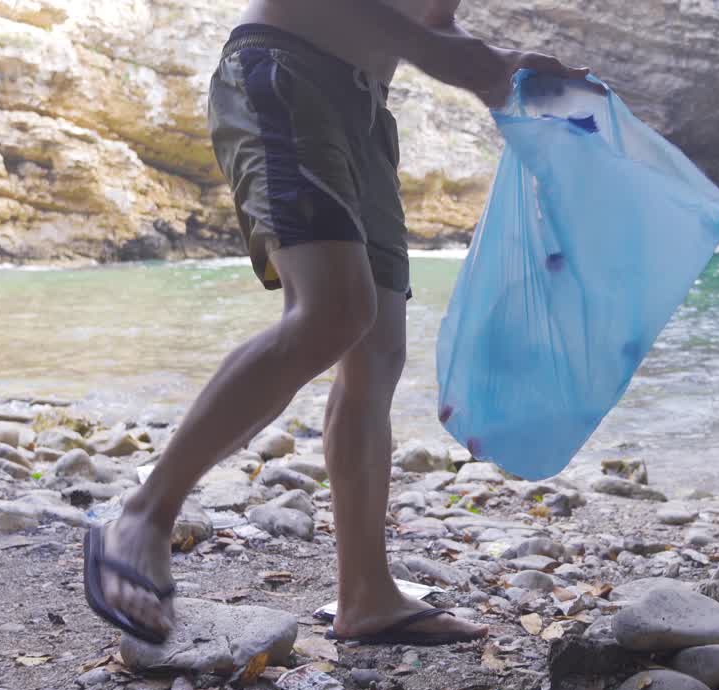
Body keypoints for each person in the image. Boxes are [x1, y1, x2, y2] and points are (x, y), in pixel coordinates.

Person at [82, 0, 596, 646]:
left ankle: (366, 594)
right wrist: (470, 65)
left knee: (377, 351)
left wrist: (503, 73)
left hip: (366, 109)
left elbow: (432, 24)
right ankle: (142, 517)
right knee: (333, 311)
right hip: (285, 68)